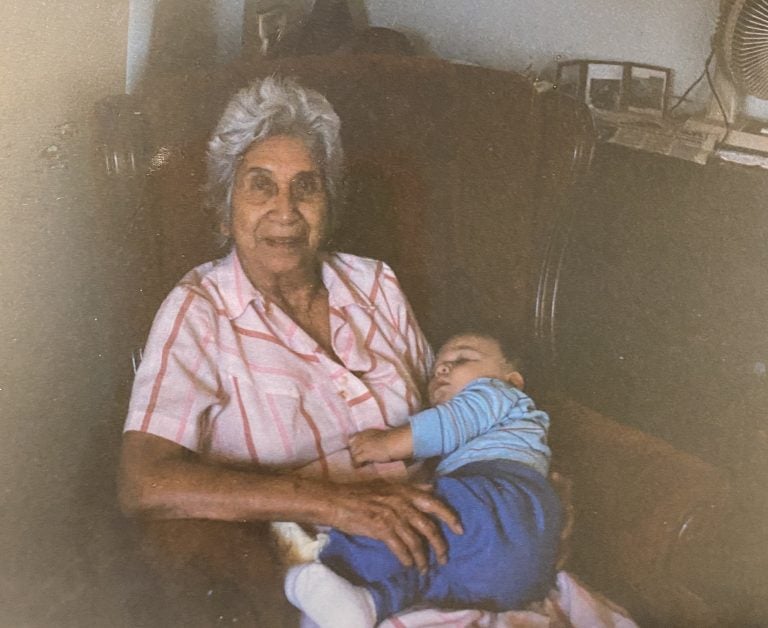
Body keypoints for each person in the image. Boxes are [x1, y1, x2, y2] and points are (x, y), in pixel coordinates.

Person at [118, 76, 463, 623]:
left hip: (445, 544)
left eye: (306, 187)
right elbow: (144, 481)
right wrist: (334, 503)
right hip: (329, 582)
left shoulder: (377, 284)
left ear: (328, 204)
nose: (286, 210)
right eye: (261, 185)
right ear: (223, 207)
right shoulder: (199, 310)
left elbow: (449, 408)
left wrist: (515, 471)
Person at [279, 330, 562, 627]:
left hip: (502, 493)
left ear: (512, 380)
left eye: (462, 358)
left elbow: (449, 423)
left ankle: (333, 564)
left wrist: (386, 444)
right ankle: (364, 604)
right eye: (437, 366)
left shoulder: (499, 395)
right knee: (427, 569)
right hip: (515, 572)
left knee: (410, 515)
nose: (441, 368)